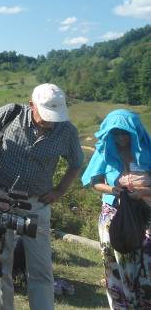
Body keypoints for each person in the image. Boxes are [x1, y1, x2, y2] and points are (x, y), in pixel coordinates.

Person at [0, 83, 83, 310]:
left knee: (40, 267)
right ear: (31, 105)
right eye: (46, 114)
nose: (51, 120)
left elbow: (76, 163)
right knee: (0, 261)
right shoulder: (11, 113)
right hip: (0, 197)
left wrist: (59, 191)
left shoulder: (67, 131)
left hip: (36, 203)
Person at [81, 109, 151, 309]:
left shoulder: (147, 151)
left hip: (146, 216)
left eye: (125, 133)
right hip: (114, 216)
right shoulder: (105, 150)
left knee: (146, 263)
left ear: (135, 132)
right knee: (116, 265)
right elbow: (95, 182)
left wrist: (142, 192)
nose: (121, 138)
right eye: (116, 133)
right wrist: (113, 190)